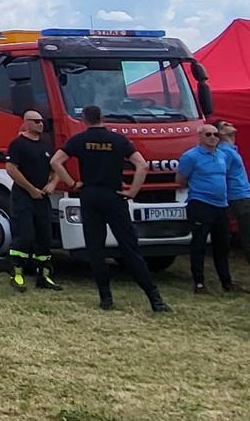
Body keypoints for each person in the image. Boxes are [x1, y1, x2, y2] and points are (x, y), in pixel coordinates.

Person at [52, 105, 169, 313]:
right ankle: (155, 299)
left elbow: (56, 161)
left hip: (90, 196)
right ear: (103, 118)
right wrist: (133, 191)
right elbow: (141, 165)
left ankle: (106, 298)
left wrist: (72, 183)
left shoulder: (78, 140)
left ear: (84, 119)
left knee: (96, 249)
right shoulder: (118, 140)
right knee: (129, 248)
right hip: (114, 196)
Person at [176, 123, 240, 294]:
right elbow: (181, 179)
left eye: (215, 135)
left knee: (223, 245)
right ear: (200, 136)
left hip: (221, 205)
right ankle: (199, 283)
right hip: (201, 203)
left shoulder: (222, 155)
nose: (213, 138)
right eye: (208, 135)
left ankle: (226, 282)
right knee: (199, 244)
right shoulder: (191, 156)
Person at [2, 109, 61, 292]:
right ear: (26, 122)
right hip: (23, 198)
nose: (40, 124)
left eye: (41, 121)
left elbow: (56, 168)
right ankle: (17, 275)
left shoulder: (45, 145)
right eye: (36, 121)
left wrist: (52, 185)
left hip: (42, 198)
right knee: (24, 235)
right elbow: (11, 168)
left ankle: (43, 276)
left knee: (44, 236)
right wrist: (30, 189)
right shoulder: (18, 144)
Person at [217, 122, 250, 287]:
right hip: (238, 196)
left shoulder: (231, 150)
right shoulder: (225, 151)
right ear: (220, 132)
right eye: (225, 125)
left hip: (241, 195)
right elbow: (221, 172)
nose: (231, 125)